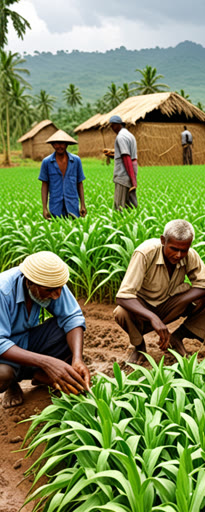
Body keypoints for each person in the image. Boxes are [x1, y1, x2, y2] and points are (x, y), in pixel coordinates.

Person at [114, 219, 205, 364]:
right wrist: (152, 318)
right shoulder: (145, 253)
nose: (179, 255)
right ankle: (139, 346)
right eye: (174, 249)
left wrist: (182, 301)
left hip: (169, 305)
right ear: (163, 240)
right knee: (121, 312)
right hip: (143, 308)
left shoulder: (190, 255)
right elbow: (123, 296)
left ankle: (177, 337)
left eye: (184, 250)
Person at [0, 252, 90, 408]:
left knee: (67, 331)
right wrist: (47, 363)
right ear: (29, 282)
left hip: (25, 340)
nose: (57, 296)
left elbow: (72, 317)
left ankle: (39, 375)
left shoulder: (52, 283)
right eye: (49, 291)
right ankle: (13, 383)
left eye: (60, 288)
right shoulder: (3, 290)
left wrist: (77, 359)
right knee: (3, 375)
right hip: (4, 353)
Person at [39, 130, 87, 219]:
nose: (60, 146)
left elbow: (79, 183)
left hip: (72, 205)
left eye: (62, 143)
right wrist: (45, 208)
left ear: (66, 144)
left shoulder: (76, 161)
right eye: (57, 143)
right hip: (55, 206)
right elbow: (44, 185)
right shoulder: (46, 162)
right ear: (53, 145)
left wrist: (83, 204)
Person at [109, 115, 138, 210]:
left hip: (123, 174)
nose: (111, 128)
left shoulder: (120, 137)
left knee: (119, 204)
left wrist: (132, 179)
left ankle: (120, 223)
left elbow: (126, 157)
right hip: (131, 171)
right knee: (130, 202)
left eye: (112, 125)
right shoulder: (130, 135)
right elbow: (126, 155)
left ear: (117, 125)